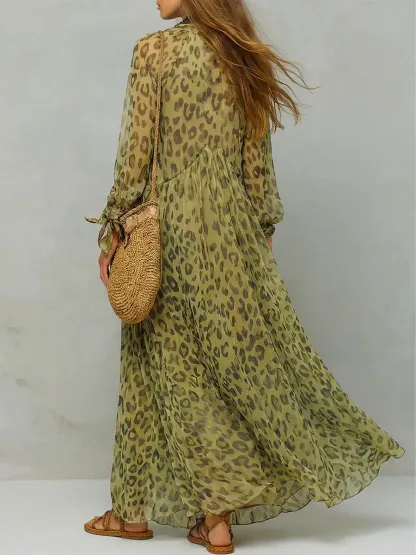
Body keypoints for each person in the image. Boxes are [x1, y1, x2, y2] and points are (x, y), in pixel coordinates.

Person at [84, 1, 405, 553]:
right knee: (226, 365)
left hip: (169, 227)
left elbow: (136, 153)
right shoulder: (240, 54)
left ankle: (143, 513)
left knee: (164, 366)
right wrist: (262, 228)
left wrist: (114, 228)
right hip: (232, 230)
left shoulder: (154, 52)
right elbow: (257, 161)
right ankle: (205, 518)